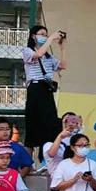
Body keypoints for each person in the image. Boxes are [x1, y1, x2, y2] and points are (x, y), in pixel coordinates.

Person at [21, 25, 66, 158]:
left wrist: (63, 47)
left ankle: (47, 157)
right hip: (35, 88)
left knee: (50, 122)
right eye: (41, 34)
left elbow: (63, 65)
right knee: (33, 123)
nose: (45, 37)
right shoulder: (27, 51)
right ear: (33, 36)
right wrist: (51, 38)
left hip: (46, 89)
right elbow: (37, 55)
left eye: (46, 35)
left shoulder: (48, 56)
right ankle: (28, 162)